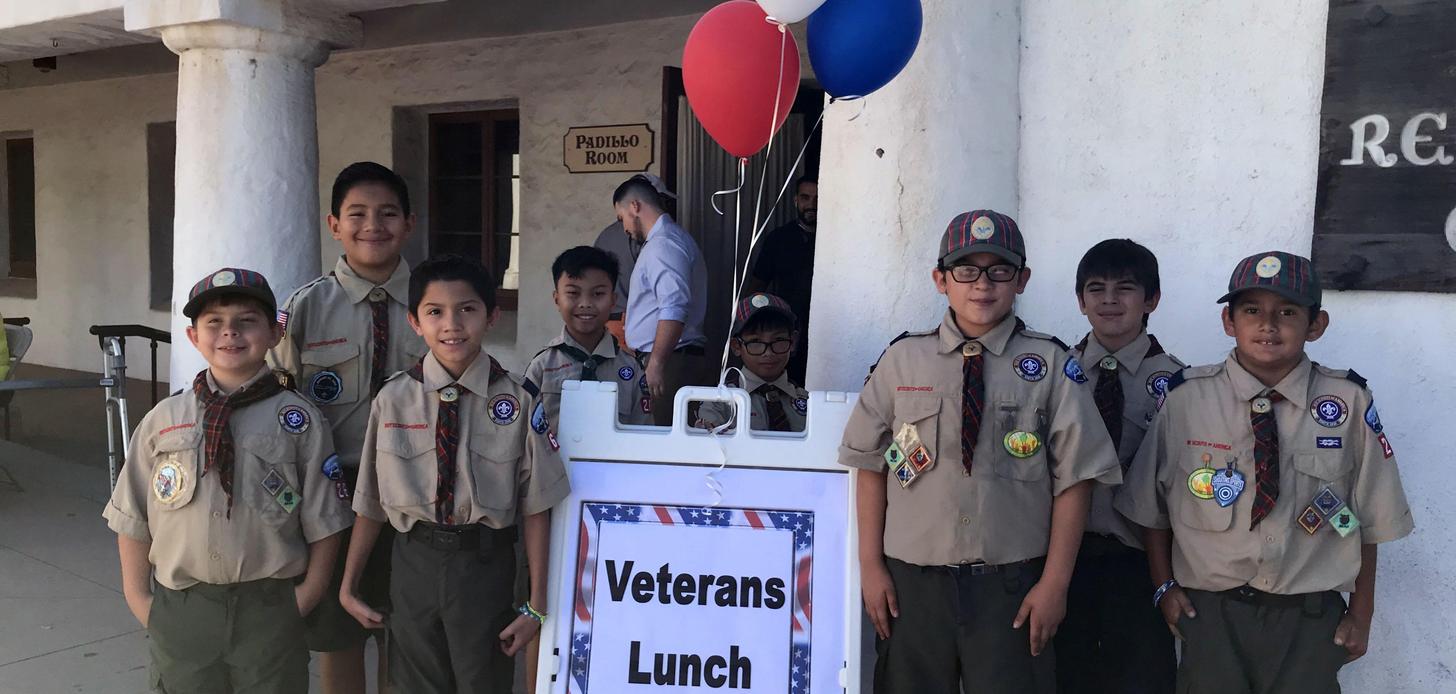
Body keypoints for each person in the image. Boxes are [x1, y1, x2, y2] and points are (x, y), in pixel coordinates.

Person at [838, 210, 1121, 693]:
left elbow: (1076, 478)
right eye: (966, 270)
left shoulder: (1051, 364)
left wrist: (1054, 585)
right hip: (913, 585)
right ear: (940, 279)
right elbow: (869, 465)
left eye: (999, 270)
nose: (982, 284)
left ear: (1022, 279)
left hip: (1012, 587)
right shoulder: (902, 360)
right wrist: (870, 566)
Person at [1115, 251, 1414, 693]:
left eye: (1287, 312)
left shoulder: (1348, 404)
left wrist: (1361, 613)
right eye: (1252, 310)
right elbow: (1151, 510)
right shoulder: (1186, 401)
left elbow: (1371, 518)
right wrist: (1164, 589)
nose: (1268, 325)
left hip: (1310, 619)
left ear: (1316, 324)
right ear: (1228, 321)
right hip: (1211, 615)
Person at [104, 268, 351, 693]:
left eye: (247, 320)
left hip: (270, 606)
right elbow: (132, 515)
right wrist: (140, 600)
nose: (230, 333)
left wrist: (306, 596)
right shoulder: (163, 420)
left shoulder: (299, 421)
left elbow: (325, 518)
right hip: (183, 607)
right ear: (193, 337)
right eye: (214, 323)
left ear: (274, 334)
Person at [339, 254, 570, 693]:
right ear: (414, 321)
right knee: (412, 684)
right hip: (413, 563)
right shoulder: (392, 400)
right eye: (435, 312)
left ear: (491, 315)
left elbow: (537, 506)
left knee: (482, 682)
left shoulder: (519, 401)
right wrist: (349, 584)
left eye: (467, 309)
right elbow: (370, 500)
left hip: (485, 567)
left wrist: (536, 604)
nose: (452, 324)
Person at [268, 161, 426, 693]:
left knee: (404, 634)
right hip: (335, 500)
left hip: (416, 499)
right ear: (333, 224)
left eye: (387, 214)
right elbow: (275, 408)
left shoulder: (437, 304)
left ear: (409, 223)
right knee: (338, 637)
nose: (372, 225)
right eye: (356, 214)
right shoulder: (305, 308)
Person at [1054, 239, 1182, 693]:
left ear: (1152, 300)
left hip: (1142, 564)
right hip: (1059, 562)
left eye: (1125, 288)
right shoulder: (1052, 374)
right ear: (1080, 300)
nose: (1109, 299)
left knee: (1143, 679)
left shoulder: (1179, 384)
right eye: (1096, 288)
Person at [613, 176, 709, 426]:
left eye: (621, 217)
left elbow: (674, 306)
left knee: (664, 440)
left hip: (670, 359)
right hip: (668, 357)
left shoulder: (663, 244)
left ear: (634, 206)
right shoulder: (664, 241)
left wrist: (656, 363)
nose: (623, 227)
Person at [525, 245, 652, 426]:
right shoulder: (542, 368)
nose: (585, 303)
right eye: (573, 293)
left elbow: (644, 435)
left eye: (598, 294)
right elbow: (527, 437)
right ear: (557, 299)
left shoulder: (631, 371)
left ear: (613, 301)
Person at [697, 292, 809, 432]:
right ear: (736, 346)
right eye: (755, 341)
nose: (768, 353)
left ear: (793, 342)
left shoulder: (809, 404)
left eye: (779, 340)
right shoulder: (720, 402)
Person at [745, 175, 817, 383]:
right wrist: (752, 327)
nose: (811, 204)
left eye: (817, 198)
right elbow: (757, 287)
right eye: (805, 197)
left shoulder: (837, 237)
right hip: (786, 330)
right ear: (795, 200)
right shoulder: (779, 239)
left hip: (829, 328)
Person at [593, 173, 676, 349]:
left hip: (605, 324)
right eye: (661, 201)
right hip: (629, 325)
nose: (663, 208)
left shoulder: (604, 235)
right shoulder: (641, 237)